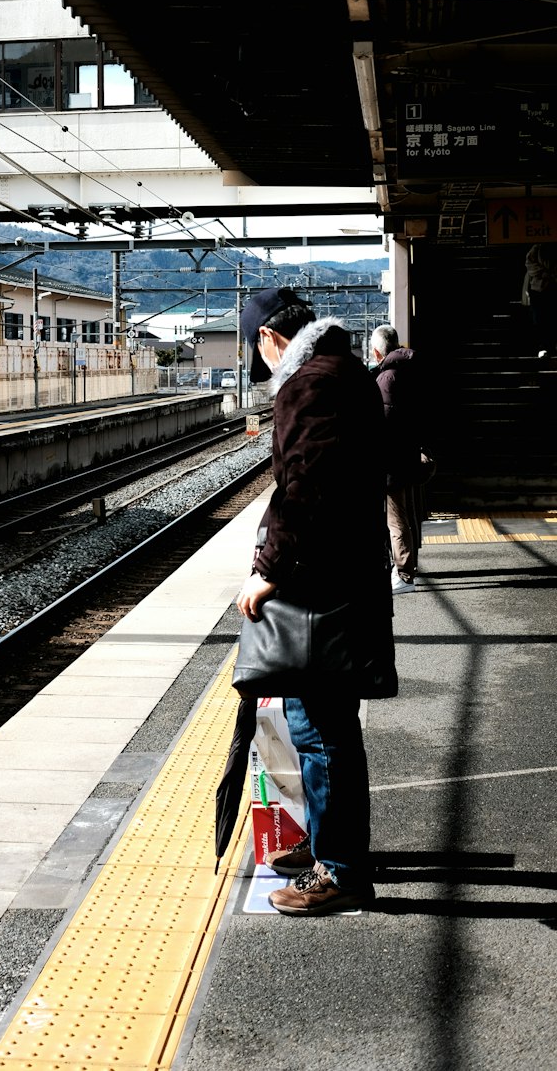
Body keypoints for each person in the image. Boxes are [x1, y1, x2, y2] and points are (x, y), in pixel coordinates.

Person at [235, 287, 390, 916]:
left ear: (270, 339)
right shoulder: (340, 370)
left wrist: (267, 570)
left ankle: (343, 870)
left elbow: (307, 487)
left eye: (259, 354)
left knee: (323, 732)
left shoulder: (312, 385)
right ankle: (332, 847)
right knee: (318, 724)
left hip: (324, 584)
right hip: (340, 574)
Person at [370, 324, 426, 593]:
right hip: (408, 452)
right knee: (407, 514)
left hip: (391, 458)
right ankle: (409, 567)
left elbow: (382, 423)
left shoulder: (386, 379)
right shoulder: (410, 370)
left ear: (376, 351)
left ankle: (404, 575)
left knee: (396, 518)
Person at [523, 242, 557, 359]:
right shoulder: (537, 248)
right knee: (541, 319)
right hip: (539, 289)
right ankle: (545, 346)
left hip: (545, 288)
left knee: (548, 318)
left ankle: (549, 345)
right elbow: (530, 265)